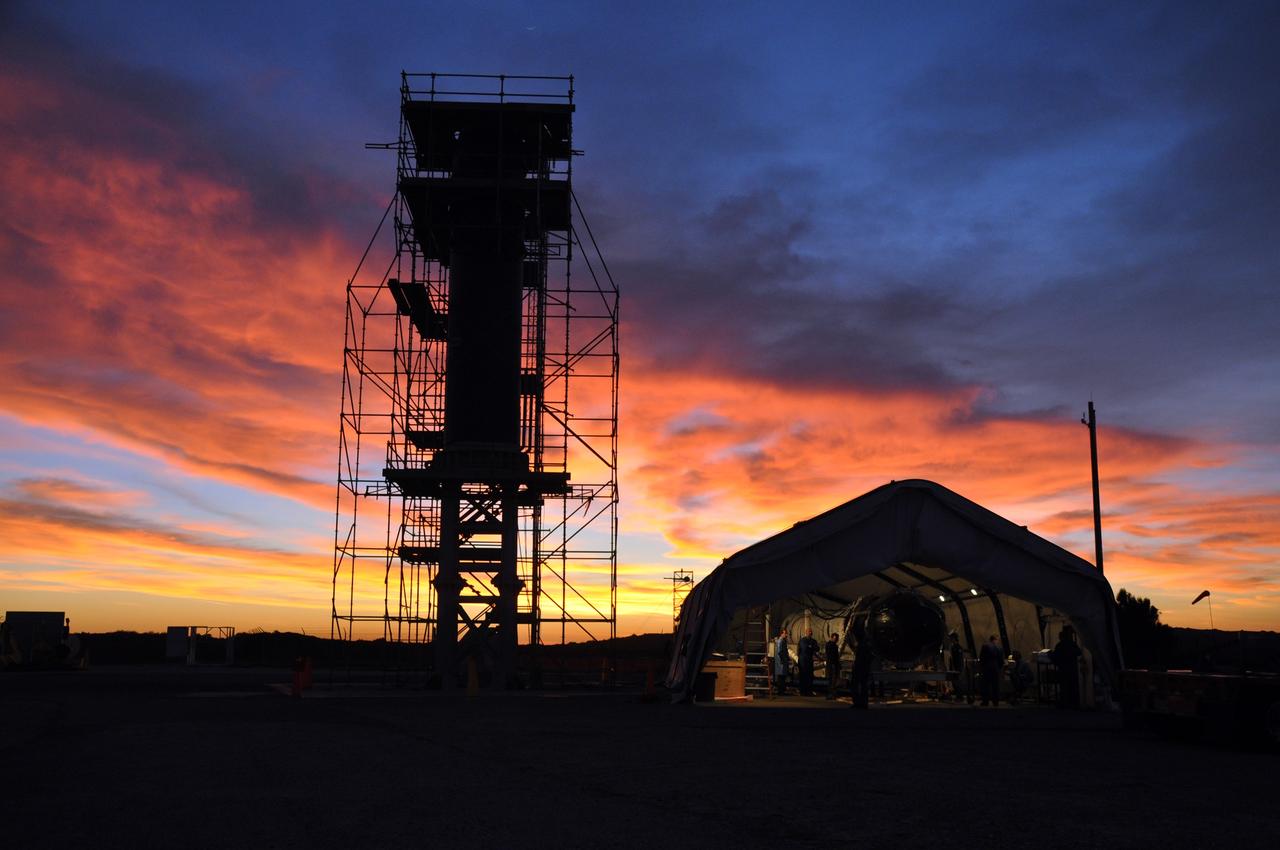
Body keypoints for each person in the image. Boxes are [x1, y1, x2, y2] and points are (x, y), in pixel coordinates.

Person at [1052, 626, 1083, 709]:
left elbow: (1055, 656)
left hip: (1064, 668)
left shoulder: (1060, 645)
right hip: (1072, 668)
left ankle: (1065, 703)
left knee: (1064, 686)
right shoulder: (1072, 644)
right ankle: (1073, 702)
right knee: (1072, 686)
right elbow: (1079, 652)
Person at [850, 619, 873, 710]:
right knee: (864, 686)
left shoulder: (862, 645)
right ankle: (864, 703)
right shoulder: (868, 644)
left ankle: (858, 703)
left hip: (860, 667)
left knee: (855, 685)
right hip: (865, 668)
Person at [978, 634, 1003, 706]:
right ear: (996, 639)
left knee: (986, 685)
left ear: (990, 639)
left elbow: (982, 658)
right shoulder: (1000, 648)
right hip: (996, 668)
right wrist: (999, 667)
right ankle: (996, 701)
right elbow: (1001, 660)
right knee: (995, 685)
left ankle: (985, 701)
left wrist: (981, 667)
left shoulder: (985, 646)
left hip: (987, 668)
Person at [797, 628, 820, 696]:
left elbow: (817, 648)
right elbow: (805, 648)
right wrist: (811, 647)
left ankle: (808, 691)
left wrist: (811, 647)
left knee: (809, 676)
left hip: (809, 660)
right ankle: (803, 691)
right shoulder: (803, 640)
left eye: (811, 631)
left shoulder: (813, 641)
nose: (810, 633)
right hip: (803, 661)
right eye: (809, 631)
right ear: (806, 632)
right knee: (803, 676)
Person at [946, 632, 967, 702]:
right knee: (956, 682)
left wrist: (956, 668)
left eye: (951, 638)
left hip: (957, 668)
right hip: (957, 667)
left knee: (957, 682)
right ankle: (959, 697)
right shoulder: (956, 647)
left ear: (954, 638)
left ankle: (960, 697)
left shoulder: (956, 647)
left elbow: (957, 659)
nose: (950, 639)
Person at [773, 627, 790, 695]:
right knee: (781, 677)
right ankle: (781, 691)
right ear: (781, 634)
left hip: (782, 661)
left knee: (782, 676)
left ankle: (781, 690)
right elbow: (780, 652)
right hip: (781, 662)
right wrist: (783, 660)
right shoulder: (781, 641)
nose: (786, 635)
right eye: (785, 633)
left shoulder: (781, 641)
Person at [825, 632, 841, 700]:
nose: (836, 640)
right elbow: (833, 656)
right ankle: (831, 694)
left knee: (832, 680)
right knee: (832, 680)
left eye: (836, 639)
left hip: (832, 664)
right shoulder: (831, 645)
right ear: (832, 638)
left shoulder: (832, 645)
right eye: (835, 638)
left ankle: (831, 694)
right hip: (832, 664)